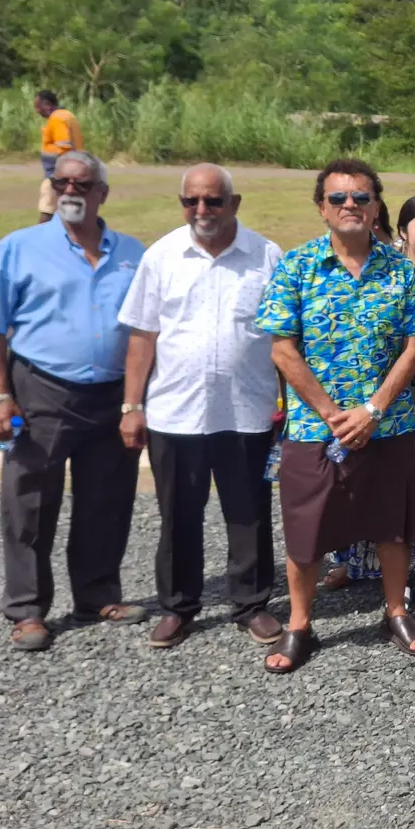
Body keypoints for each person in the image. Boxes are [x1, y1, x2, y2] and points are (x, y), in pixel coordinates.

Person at [255, 160, 415, 673]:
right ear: (321, 208)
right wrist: (335, 414)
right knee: (305, 528)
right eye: (338, 198)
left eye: (360, 197)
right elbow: (283, 349)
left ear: (377, 206)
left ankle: (396, 612)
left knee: (394, 526)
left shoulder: (399, 269)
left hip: (389, 423)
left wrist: (373, 409)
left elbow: (414, 347)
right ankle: (299, 625)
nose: (350, 206)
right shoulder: (298, 266)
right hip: (318, 428)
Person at [0, 150, 146, 650]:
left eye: (82, 184)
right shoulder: (19, 247)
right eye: (60, 182)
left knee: (106, 501)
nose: (70, 191)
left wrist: (134, 403)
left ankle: (97, 594)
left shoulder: (133, 253)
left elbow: (144, 333)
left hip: (110, 395)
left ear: (102, 193)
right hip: (41, 389)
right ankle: (27, 610)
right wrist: (1, 395)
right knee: (28, 505)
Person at [117, 165, 285, 648]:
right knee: (178, 515)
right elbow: (143, 335)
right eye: (191, 201)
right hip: (176, 414)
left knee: (249, 513)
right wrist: (132, 405)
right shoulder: (163, 255)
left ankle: (251, 605)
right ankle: (178, 607)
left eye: (213, 201)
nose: (201, 210)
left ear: (235, 203)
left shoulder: (265, 256)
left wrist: (291, 406)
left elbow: (283, 339)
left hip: (246, 412)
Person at [325, 195, 415, 611]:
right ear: (404, 230)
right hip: (393, 403)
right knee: (392, 491)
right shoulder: (387, 275)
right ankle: (383, 571)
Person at [34, 90, 83, 221]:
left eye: (38, 106)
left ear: (47, 104)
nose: (37, 111)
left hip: (57, 174)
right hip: (73, 171)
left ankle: (38, 238)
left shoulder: (57, 118)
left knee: (47, 211)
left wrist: (58, 176)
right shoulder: (68, 115)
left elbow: (64, 147)